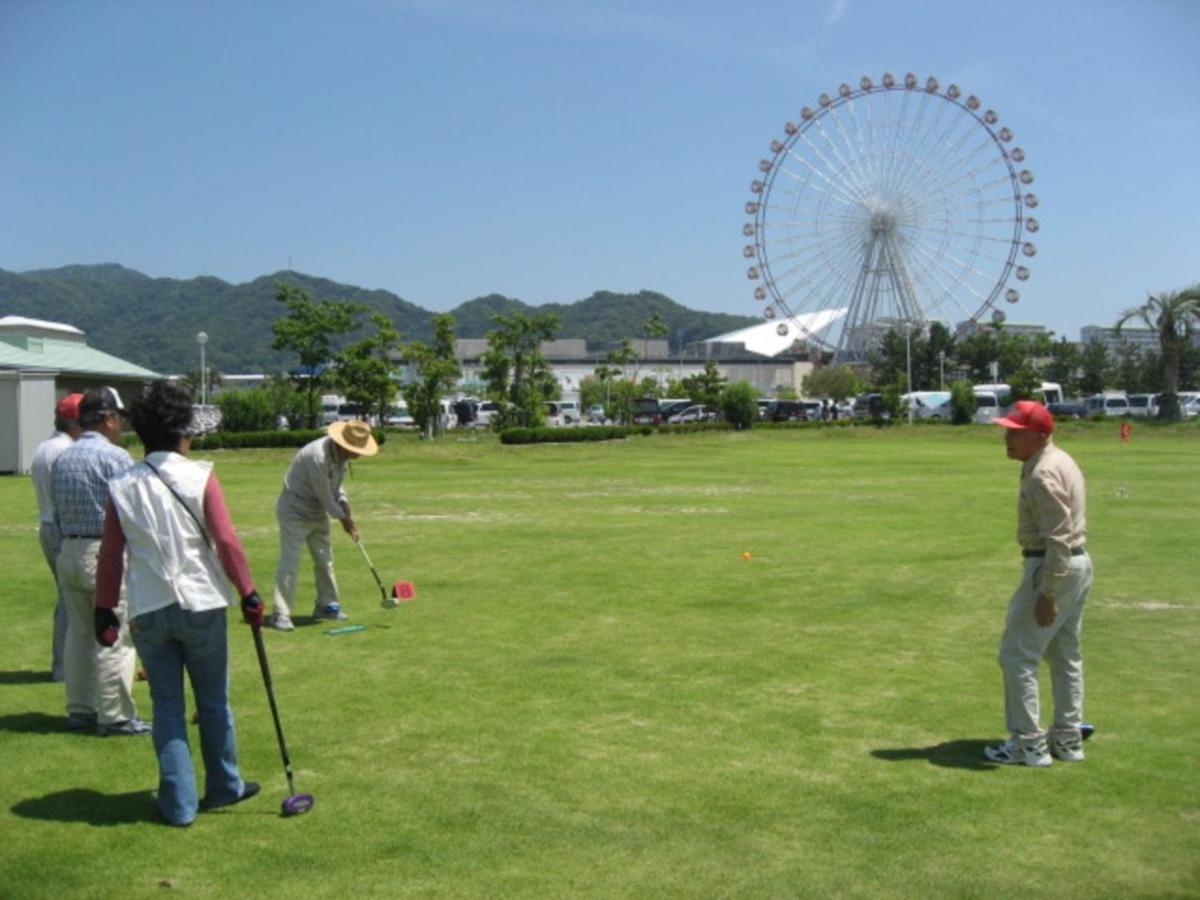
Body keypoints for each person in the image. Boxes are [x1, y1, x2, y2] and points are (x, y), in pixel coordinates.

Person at [95, 380, 261, 826]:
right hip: (202, 601)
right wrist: (248, 591)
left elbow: (111, 553)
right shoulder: (200, 474)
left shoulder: (122, 484)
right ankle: (224, 786)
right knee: (212, 700)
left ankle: (178, 804)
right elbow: (226, 540)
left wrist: (103, 608)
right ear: (182, 429)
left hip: (149, 606)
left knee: (167, 706)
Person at [985, 400, 1093, 767]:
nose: (1007, 438)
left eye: (1017, 433)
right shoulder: (1059, 459)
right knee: (1064, 652)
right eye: (1007, 430)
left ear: (1040, 435)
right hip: (1077, 563)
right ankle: (1067, 737)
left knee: (1017, 655)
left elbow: (1058, 536)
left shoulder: (1042, 473)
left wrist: (1047, 591)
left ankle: (1028, 745)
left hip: (1052, 565)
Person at [50, 386, 147, 735]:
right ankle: (115, 714)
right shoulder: (115, 457)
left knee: (77, 633)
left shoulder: (64, 457)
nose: (120, 424)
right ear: (107, 418)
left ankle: (80, 708)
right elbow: (132, 512)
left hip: (69, 551)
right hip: (102, 553)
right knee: (113, 634)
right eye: (118, 417)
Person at [266, 420, 379, 631]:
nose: (359, 454)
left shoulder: (341, 456)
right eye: (356, 449)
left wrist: (344, 502)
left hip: (316, 512)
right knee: (290, 562)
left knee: (325, 560)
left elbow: (336, 486)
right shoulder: (317, 456)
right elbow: (326, 498)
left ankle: (327, 606)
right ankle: (280, 614)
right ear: (344, 443)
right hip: (295, 511)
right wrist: (344, 519)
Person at [30, 392, 84, 681]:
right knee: (71, 598)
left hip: (47, 525)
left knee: (68, 596)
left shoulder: (45, 447)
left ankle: (65, 664)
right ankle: (64, 666)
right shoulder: (65, 451)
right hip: (62, 529)